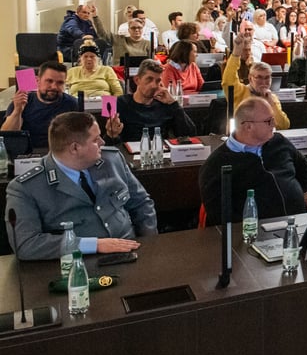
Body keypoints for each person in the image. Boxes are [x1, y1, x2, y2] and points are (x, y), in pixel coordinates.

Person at [4, 111, 156, 260]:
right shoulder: (26, 188)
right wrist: (93, 245)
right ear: (75, 148)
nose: (102, 143)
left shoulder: (112, 160)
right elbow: (26, 244)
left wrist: (151, 245)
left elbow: (142, 203)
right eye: (95, 140)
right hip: (76, 261)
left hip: (130, 250)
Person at [199, 98, 307, 224]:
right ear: (248, 126)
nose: (274, 124)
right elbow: (219, 215)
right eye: (269, 121)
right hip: (255, 231)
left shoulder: (279, 142)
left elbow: (303, 167)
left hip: (300, 221)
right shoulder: (216, 164)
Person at [104, 59, 196, 142]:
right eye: (149, 79)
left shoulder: (165, 104)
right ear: (137, 80)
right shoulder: (115, 102)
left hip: (160, 150)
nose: (154, 85)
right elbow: (105, 143)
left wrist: (173, 103)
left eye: (158, 81)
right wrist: (112, 135)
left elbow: (191, 134)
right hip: (127, 151)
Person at [2, 61, 78, 148]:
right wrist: (17, 111)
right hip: (27, 152)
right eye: (49, 81)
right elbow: (6, 137)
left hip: (60, 152)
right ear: (38, 81)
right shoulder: (22, 100)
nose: (54, 87)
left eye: (60, 83)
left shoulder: (72, 104)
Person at [223, 37, 290, 129]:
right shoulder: (240, 92)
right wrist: (236, 53)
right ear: (250, 78)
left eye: (267, 77)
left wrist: (271, 103)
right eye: (259, 77)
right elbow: (228, 80)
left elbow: (284, 126)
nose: (263, 82)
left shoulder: (272, 98)